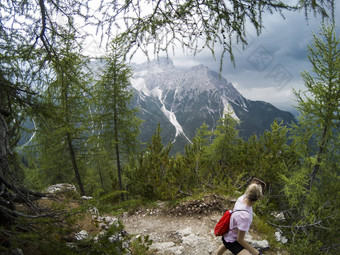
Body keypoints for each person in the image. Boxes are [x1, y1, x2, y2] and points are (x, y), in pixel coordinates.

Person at [216, 181, 264, 255]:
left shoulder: (241, 198)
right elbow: (240, 239)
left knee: (225, 245)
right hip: (232, 241)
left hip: (227, 232)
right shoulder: (245, 216)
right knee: (229, 245)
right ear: (257, 199)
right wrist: (255, 252)